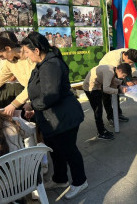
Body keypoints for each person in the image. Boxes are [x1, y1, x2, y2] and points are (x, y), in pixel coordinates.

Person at [21, 32, 87, 199]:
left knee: (69, 151)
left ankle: (80, 181)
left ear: (36, 50)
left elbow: (50, 95)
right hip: (52, 118)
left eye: (27, 52)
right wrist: (32, 103)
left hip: (63, 118)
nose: (26, 56)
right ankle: (60, 179)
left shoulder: (51, 65)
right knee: (55, 150)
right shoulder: (43, 63)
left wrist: (32, 105)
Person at [83, 63, 132, 140]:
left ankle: (102, 130)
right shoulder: (110, 72)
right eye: (123, 75)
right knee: (98, 110)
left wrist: (122, 83)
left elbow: (113, 80)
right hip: (90, 88)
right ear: (119, 70)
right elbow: (106, 89)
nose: (123, 77)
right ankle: (101, 132)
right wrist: (119, 90)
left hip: (95, 86)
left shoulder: (113, 69)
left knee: (99, 109)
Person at [0, 31, 35, 116]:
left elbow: (34, 84)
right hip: (32, 99)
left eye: (1, 56)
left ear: (8, 48)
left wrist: (14, 104)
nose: (2, 59)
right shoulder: (10, 62)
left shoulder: (31, 56)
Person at [99, 48, 137, 124]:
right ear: (126, 57)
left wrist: (133, 79)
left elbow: (133, 67)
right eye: (130, 62)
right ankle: (110, 116)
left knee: (116, 94)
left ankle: (118, 114)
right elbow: (116, 76)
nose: (130, 64)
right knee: (107, 95)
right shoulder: (115, 60)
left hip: (115, 72)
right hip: (105, 72)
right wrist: (125, 82)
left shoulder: (130, 53)